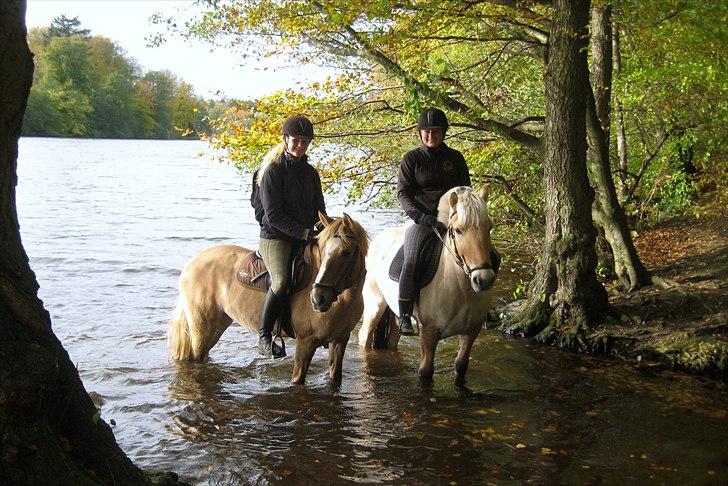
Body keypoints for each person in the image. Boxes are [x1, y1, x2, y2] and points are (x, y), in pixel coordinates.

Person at [396, 107, 500, 335]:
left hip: (456, 221)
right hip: (424, 221)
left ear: (443, 133)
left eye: (435, 131)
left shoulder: (455, 158)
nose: (430, 135)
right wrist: (420, 216)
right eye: (426, 131)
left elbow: (466, 191)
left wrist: (465, 216)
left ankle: (485, 307)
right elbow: (403, 194)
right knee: (411, 260)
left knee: (492, 255)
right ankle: (404, 314)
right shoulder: (411, 159)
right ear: (420, 133)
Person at [254, 114, 326, 357]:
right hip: (275, 237)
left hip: (304, 236)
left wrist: (325, 228)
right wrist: (304, 233)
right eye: (296, 140)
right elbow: (273, 215)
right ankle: (264, 335)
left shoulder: (311, 173)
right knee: (282, 280)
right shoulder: (273, 172)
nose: (300, 146)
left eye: (305, 142)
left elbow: (319, 209)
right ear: (286, 139)